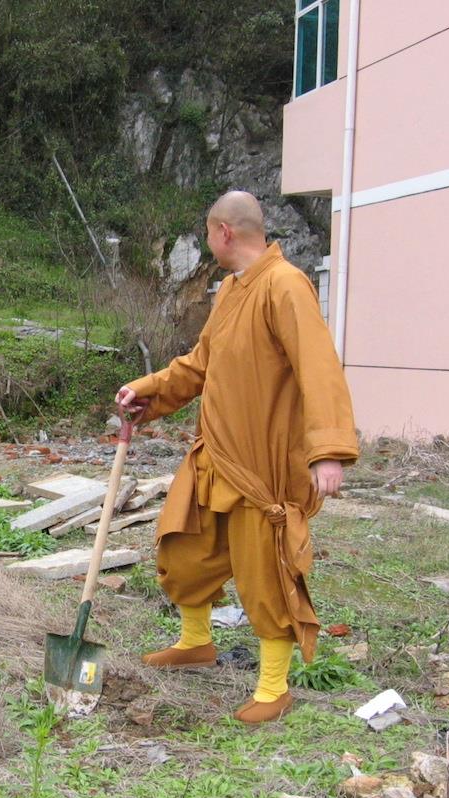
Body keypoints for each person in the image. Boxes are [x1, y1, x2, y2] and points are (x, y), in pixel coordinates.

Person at [116, 191, 358, 725]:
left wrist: (329, 453)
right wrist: (148, 391)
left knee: (264, 573)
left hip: (263, 467)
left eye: (208, 234)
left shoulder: (286, 285)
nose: (208, 243)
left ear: (224, 232)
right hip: (215, 456)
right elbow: (200, 364)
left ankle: (274, 687)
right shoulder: (229, 290)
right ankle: (195, 641)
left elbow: (319, 369)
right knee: (183, 549)